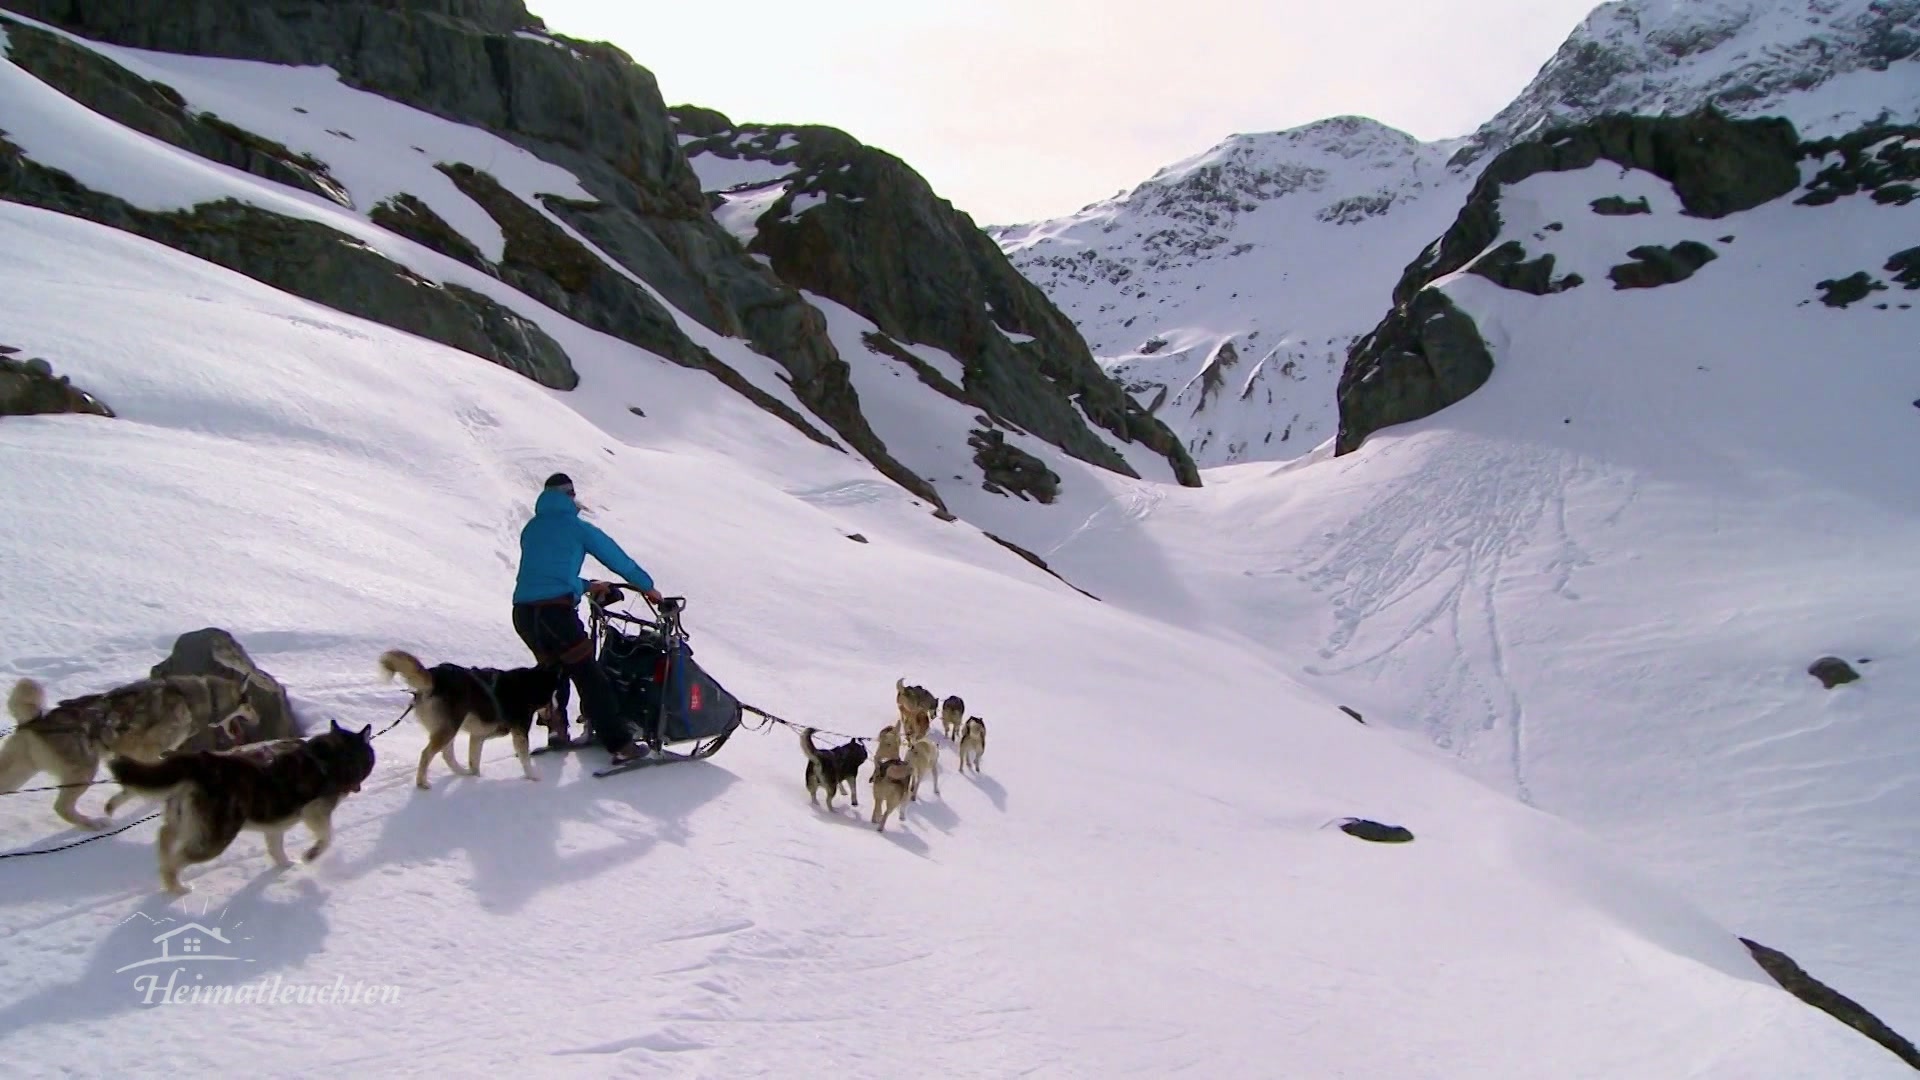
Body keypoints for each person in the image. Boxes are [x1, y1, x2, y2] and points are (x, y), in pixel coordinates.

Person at [510, 472, 663, 762]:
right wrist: (648, 588)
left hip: (524, 615)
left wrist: (587, 586)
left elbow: (546, 574)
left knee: (552, 671)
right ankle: (620, 744)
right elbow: (617, 559)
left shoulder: (531, 528)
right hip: (555, 615)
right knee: (590, 676)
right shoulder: (577, 528)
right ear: (569, 496)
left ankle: (557, 732)